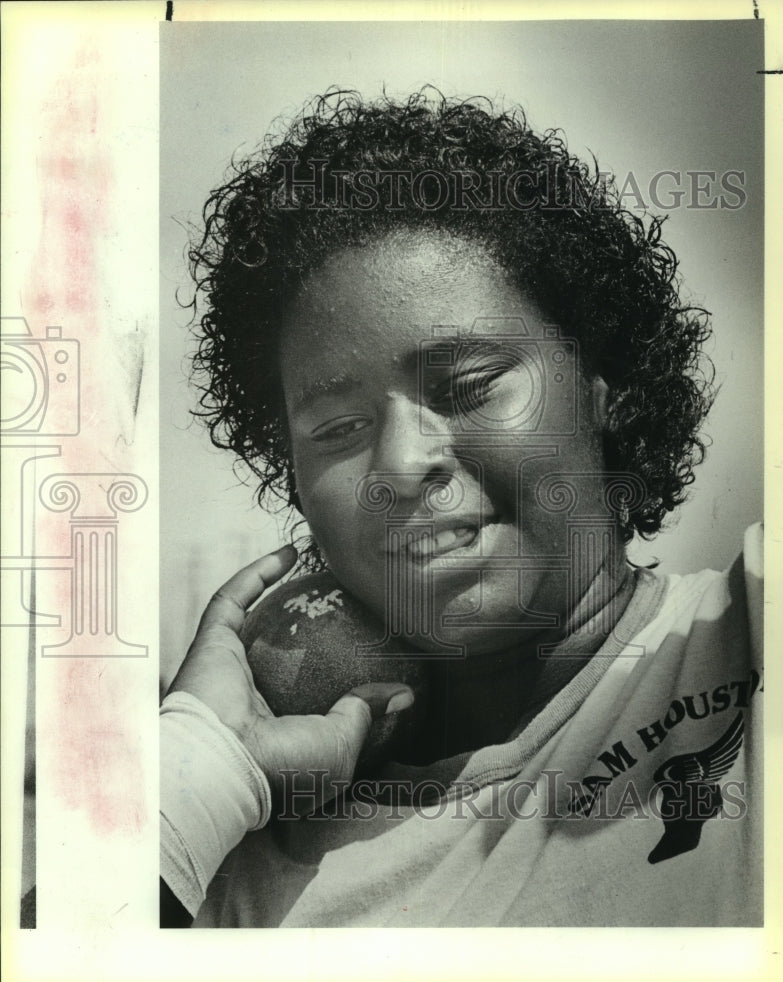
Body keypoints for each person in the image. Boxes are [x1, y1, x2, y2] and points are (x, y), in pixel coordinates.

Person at [160, 90, 762, 928]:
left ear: (602, 385)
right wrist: (197, 775)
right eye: (337, 428)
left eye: (469, 386)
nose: (401, 464)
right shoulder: (234, 847)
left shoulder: (745, 646)